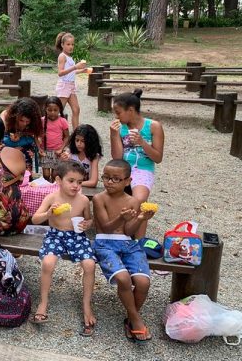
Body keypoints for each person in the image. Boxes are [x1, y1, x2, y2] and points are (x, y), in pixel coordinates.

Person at [92, 159, 156, 344]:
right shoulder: (99, 199)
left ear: (128, 181)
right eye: (106, 178)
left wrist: (141, 218)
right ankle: (135, 319)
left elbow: (129, 232)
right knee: (123, 278)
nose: (109, 182)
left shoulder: (133, 201)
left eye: (116, 179)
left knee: (143, 282)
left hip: (128, 244)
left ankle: (130, 317)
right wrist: (121, 217)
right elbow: (104, 227)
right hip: (105, 243)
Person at [30, 160, 96, 335]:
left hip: (76, 236)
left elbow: (89, 220)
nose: (76, 186)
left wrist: (87, 224)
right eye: (71, 181)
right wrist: (48, 213)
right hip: (55, 235)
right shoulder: (52, 198)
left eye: (80, 182)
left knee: (89, 264)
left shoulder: (83, 200)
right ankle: (43, 302)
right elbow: (35, 219)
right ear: (58, 180)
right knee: (48, 263)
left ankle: (86, 305)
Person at [110, 89, 164, 239]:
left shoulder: (153, 126)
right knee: (108, 195)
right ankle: (119, 233)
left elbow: (158, 158)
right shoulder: (120, 128)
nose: (116, 116)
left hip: (143, 169)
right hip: (123, 168)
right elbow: (117, 157)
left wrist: (142, 142)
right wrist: (114, 135)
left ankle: (138, 240)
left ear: (131, 110)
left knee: (139, 200)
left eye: (118, 112)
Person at [0, 98, 42, 172]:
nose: (24, 124)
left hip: (25, 148)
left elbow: (37, 136)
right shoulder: (5, 116)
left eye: (27, 121)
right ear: (15, 116)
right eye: (21, 120)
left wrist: (20, 134)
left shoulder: (35, 122)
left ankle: (26, 173)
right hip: (7, 146)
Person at [55, 32, 87, 129]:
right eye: (68, 44)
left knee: (76, 109)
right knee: (58, 111)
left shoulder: (69, 57)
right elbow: (60, 73)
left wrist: (82, 70)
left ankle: (76, 133)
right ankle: (54, 131)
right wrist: (75, 67)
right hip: (64, 86)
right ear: (62, 45)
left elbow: (70, 72)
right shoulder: (62, 56)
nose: (71, 47)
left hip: (71, 86)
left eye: (72, 44)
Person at [40, 96, 70, 181]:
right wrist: (39, 148)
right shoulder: (42, 121)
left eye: (55, 110)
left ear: (60, 109)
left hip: (58, 152)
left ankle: (54, 192)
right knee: (46, 175)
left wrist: (61, 149)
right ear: (45, 109)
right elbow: (37, 135)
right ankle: (46, 191)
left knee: (55, 175)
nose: (52, 112)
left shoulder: (62, 121)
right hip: (45, 152)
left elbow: (67, 136)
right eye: (49, 110)